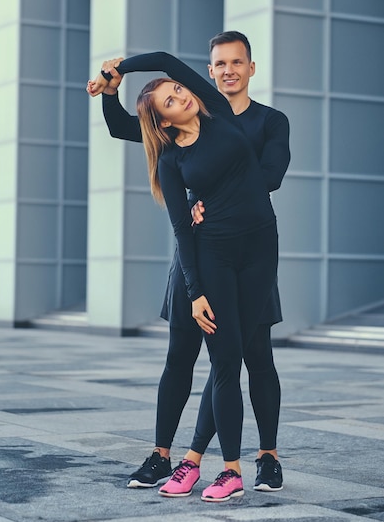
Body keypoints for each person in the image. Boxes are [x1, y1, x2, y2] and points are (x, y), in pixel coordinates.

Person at [87, 32, 290, 495]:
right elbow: (128, 128)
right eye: (219, 63)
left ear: (251, 68)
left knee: (253, 355)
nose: (228, 70)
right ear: (211, 71)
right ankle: (164, 455)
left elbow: (270, 176)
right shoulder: (194, 113)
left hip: (248, 243)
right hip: (201, 251)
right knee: (181, 354)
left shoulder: (268, 121)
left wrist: (220, 201)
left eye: (237, 62)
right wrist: (111, 87)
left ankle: (265, 456)